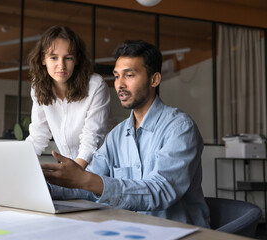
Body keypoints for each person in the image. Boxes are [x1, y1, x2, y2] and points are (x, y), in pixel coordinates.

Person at [41, 40, 210, 228]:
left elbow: (161, 190)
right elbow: (87, 185)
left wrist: (87, 180)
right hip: (130, 230)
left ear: (154, 79)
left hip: (177, 232)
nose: (120, 84)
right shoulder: (116, 136)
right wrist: (43, 186)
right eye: (116, 76)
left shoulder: (180, 128)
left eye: (129, 75)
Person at [26, 26, 112, 169]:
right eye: (53, 57)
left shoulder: (95, 85)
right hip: (72, 168)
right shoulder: (38, 87)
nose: (61, 65)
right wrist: (21, 167)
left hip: (102, 167)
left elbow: (91, 139)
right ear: (43, 59)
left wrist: (73, 174)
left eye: (68, 58)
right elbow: (38, 134)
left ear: (77, 59)